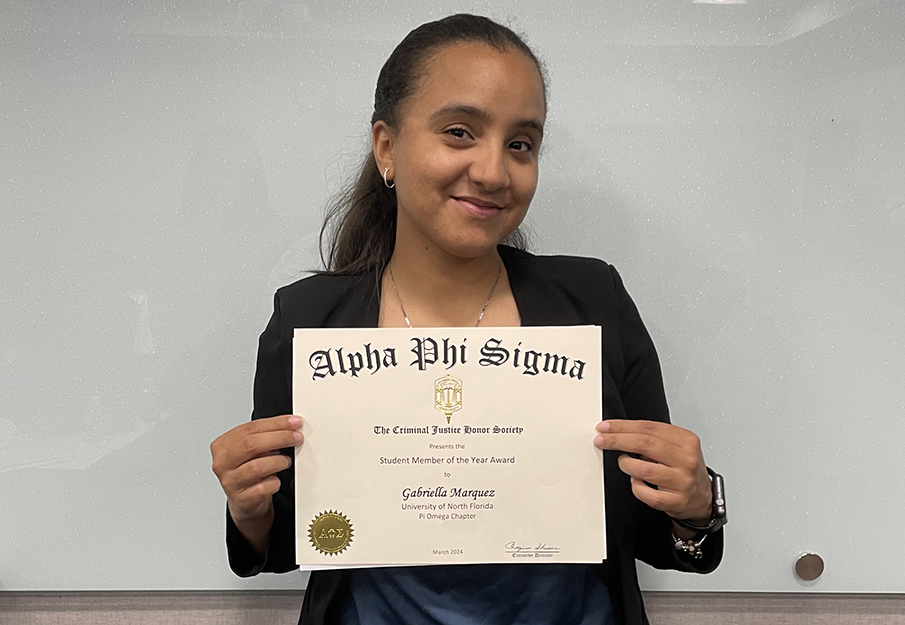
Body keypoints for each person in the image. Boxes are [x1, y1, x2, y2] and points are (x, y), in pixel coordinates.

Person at [211, 13, 724, 625]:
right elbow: (287, 538)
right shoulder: (309, 321)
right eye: (459, 132)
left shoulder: (594, 302)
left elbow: (654, 530)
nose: (492, 172)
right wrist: (251, 508)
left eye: (521, 144)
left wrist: (697, 504)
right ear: (387, 148)